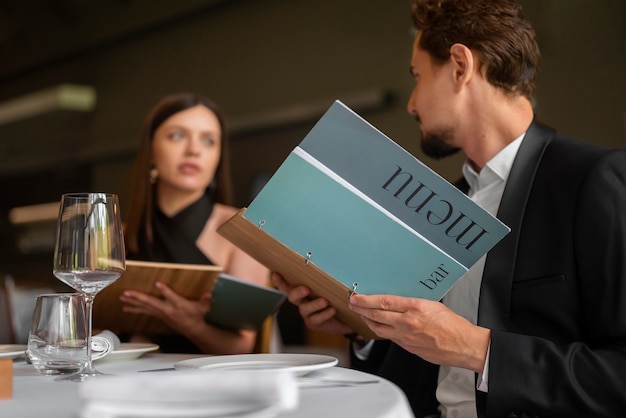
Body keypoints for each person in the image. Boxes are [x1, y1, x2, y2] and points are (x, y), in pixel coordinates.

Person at [272, 0, 626, 416]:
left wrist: (476, 348)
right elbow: (429, 362)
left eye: (418, 76)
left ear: (460, 66)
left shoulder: (593, 179)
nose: (411, 103)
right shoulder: (443, 201)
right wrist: (364, 330)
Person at [121, 92, 270, 354]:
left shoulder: (245, 230)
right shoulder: (117, 234)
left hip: (212, 386)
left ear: (218, 158)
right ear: (150, 152)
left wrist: (190, 324)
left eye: (209, 141)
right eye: (177, 136)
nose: (194, 150)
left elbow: (242, 347)